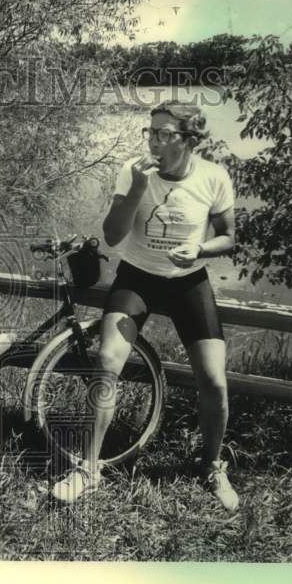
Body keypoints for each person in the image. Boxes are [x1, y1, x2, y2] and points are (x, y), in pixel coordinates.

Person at [51, 100, 240, 512]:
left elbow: (229, 236)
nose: (152, 140)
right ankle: (89, 469)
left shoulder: (213, 177)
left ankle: (211, 465)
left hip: (188, 283)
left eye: (163, 133)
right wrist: (137, 188)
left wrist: (201, 248)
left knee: (214, 381)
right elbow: (113, 237)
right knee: (106, 363)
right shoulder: (132, 170)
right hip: (136, 278)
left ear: (188, 140)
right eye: (149, 131)